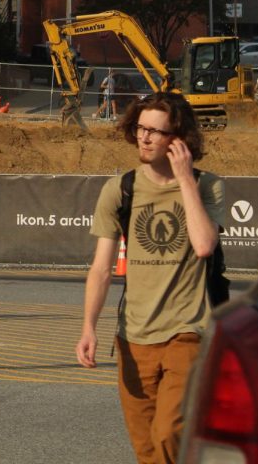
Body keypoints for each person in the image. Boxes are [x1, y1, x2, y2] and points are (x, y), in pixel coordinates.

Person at [76, 92, 224, 464]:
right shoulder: (120, 189)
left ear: (179, 139)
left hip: (187, 330)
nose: (144, 138)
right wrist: (89, 328)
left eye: (156, 132)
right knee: (147, 449)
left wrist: (185, 180)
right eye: (141, 128)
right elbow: (100, 269)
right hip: (134, 335)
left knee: (169, 431)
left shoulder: (208, 185)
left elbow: (205, 245)